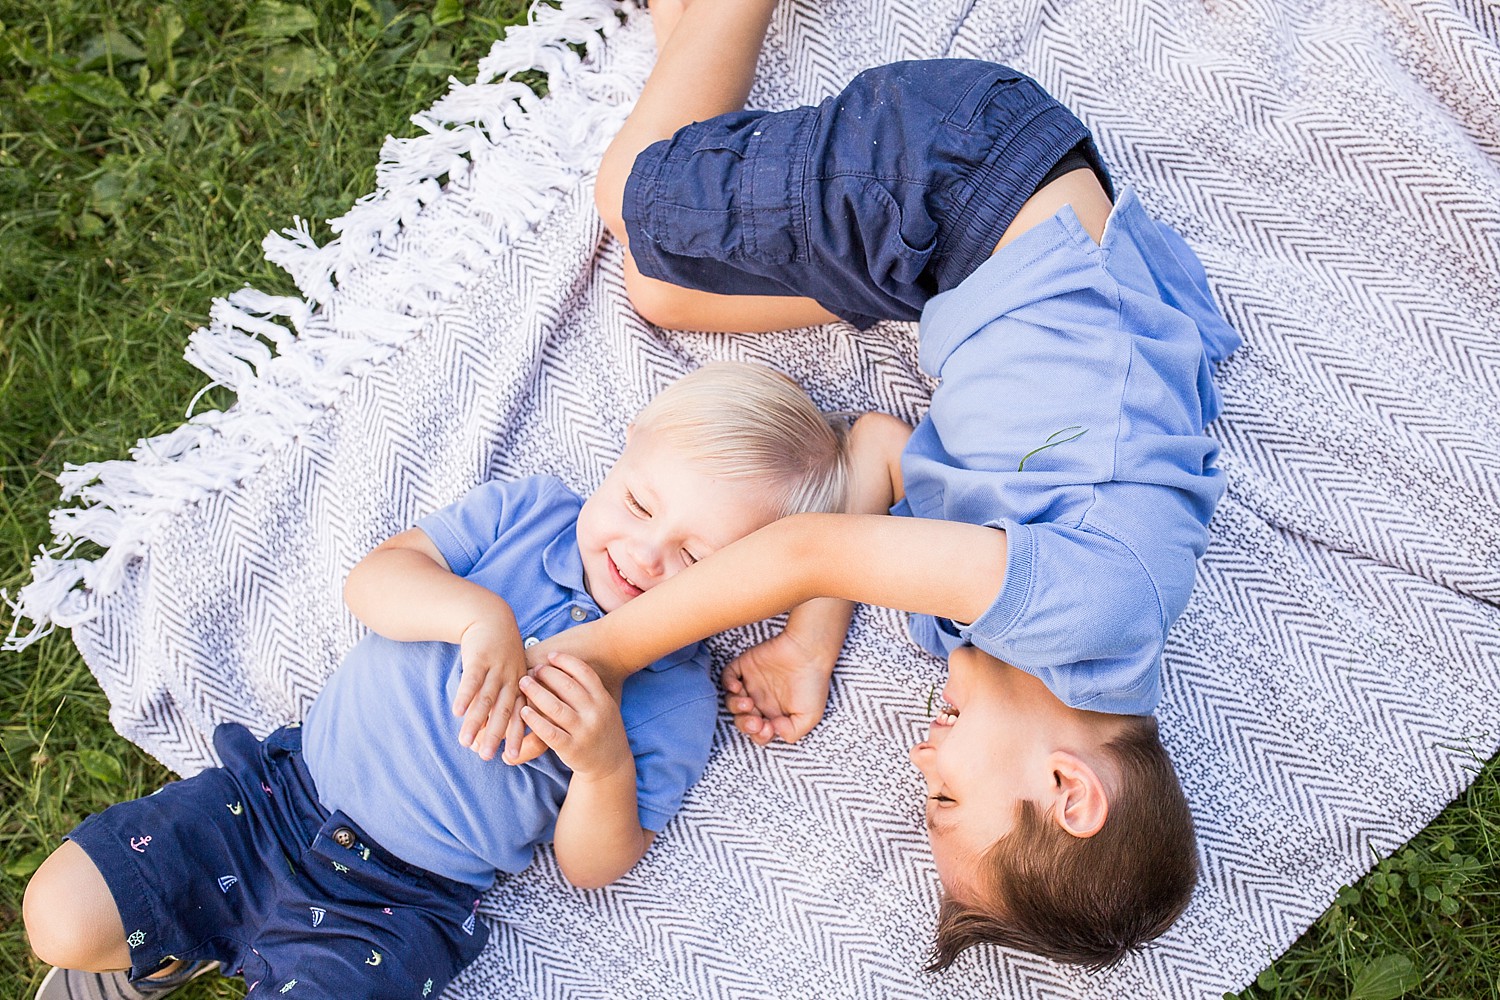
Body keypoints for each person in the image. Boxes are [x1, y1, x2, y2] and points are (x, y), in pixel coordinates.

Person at [514, 0, 1241, 971]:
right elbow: (810, 546)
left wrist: (812, 645)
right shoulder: (1085, 613)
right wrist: (602, 653)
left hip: (963, 250)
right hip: (969, 175)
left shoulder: (1009, 635)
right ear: (1073, 790)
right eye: (949, 797)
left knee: (661, 287)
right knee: (636, 203)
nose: (921, 763)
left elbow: (881, 449)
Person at [21, 361, 855, 1000]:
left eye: (697, 559)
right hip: (276, 800)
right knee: (56, 915)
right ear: (623, 453)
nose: (645, 554)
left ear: (737, 589)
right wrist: (475, 616)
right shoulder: (527, 517)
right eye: (639, 506)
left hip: (391, 906)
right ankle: (186, 937)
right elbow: (373, 581)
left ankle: (210, 940)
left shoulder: (676, 699)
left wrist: (602, 766)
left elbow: (595, 866)